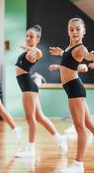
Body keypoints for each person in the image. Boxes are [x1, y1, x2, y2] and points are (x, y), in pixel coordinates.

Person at [48, 17, 94, 173]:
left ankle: (78, 164)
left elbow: (85, 55)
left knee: (81, 128)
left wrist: (91, 56)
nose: (74, 32)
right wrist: (62, 53)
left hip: (75, 89)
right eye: (71, 29)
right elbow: (68, 60)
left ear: (83, 32)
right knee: (90, 124)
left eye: (77, 29)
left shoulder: (80, 48)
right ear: (68, 30)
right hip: (74, 89)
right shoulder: (69, 48)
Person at [15, 25, 67, 158]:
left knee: (30, 118)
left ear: (37, 39)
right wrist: (29, 49)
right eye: (27, 35)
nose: (28, 38)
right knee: (39, 117)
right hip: (29, 87)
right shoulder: (27, 51)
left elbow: (39, 54)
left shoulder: (34, 52)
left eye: (31, 36)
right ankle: (60, 139)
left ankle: (31, 148)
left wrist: (33, 49)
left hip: (28, 87)